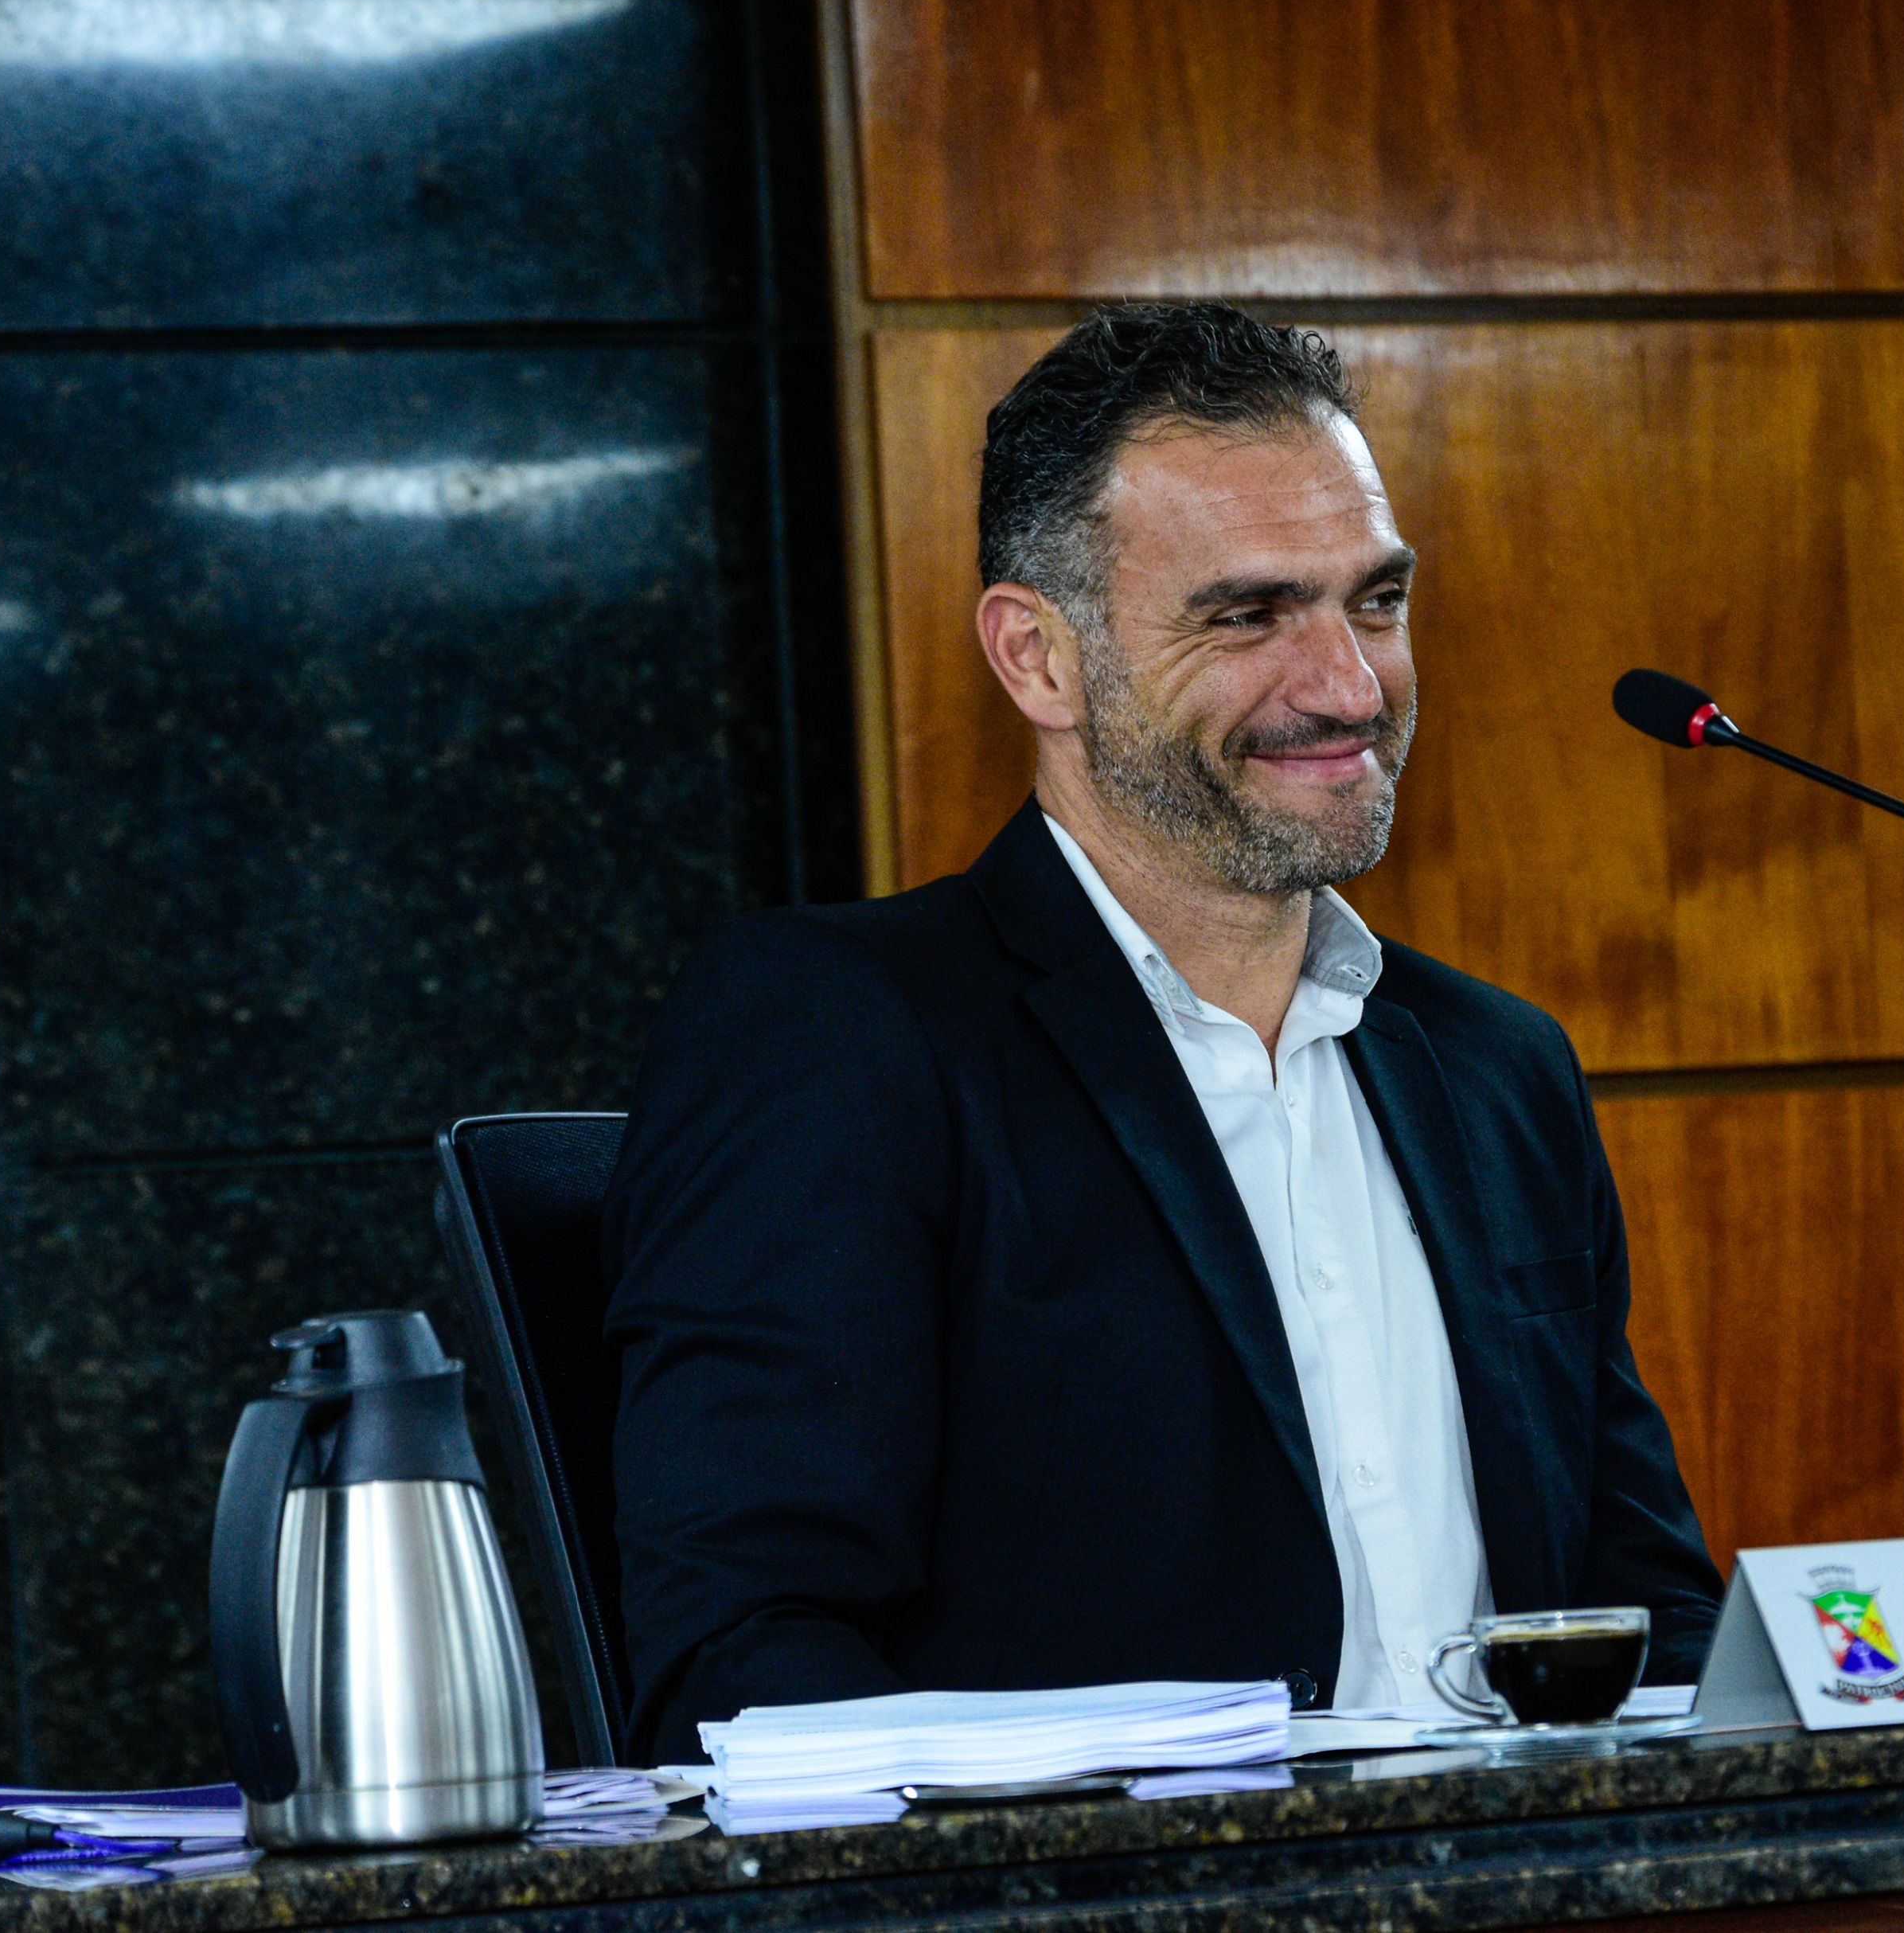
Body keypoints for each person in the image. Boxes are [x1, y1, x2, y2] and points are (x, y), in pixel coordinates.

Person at [601, 300, 1721, 1764]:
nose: (1349, 685)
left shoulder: (1500, 1068)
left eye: (1377, 600)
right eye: (1249, 615)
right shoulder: (838, 1036)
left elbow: (1652, 1622)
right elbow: (742, 1662)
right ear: (1038, 658)